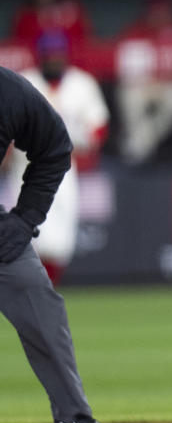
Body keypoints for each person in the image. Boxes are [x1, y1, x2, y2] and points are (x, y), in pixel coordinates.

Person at [0, 65, 105, 423]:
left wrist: (26, 218)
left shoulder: (8, 91)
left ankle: (74, 418)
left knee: (39, 303)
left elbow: (56, 148)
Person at [6, 31, 110, 285]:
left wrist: (78, 143)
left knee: (62, 241)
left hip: (62, 166)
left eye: (57, 54)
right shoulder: (25, 81)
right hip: (24, 166)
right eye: (48, 54)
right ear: (40, 56)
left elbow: (98, 126)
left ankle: (47, 288)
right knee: (29, 235)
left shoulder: (81, 83)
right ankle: (34, 289)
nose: (53, 58)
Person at [115, 0, 172, 164]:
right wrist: (146, 79)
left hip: (167, 85)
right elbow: (123, 66)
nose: (159, 15)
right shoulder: (135, 31)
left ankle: (138, 146)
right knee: (129, 97)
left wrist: (165, 77)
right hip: (141, 84)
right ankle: (140, 146)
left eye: (164, 11)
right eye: (155, 11)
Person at [11, 0, 91, 59]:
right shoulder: (25, 16)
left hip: (71, 61)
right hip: (33, 63)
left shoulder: (72, 12)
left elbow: (84, 41)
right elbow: (18, 46)